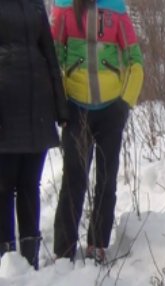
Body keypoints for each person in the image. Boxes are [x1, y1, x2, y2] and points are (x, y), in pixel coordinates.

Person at [50, 0, 144, 263]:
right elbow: (54, 58)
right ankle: (64, 249)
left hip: (110, 110)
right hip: (75, 110)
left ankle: (98, 244)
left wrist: (125, 104)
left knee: (106, 179)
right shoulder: (63, 6)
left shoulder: (116, 7)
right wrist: (61, 105)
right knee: (73, 179)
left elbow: (135, 61)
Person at [0, 0, 69, 269]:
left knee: (30, 185)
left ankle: (29, 260)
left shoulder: (35, 4)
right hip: (6, 105)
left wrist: (60, 106)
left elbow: (50, 56)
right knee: (3, 187)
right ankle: (6, 261)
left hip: (37, 105)